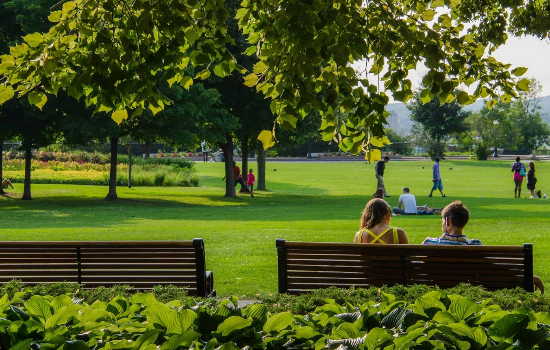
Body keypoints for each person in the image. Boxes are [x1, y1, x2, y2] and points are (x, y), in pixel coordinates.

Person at [421, 200, 544, 293]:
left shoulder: (428, 244)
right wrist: (528, 277)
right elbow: (496, 269)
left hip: (436, 296)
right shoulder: (476, 246)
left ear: (447, 221)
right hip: (467, 297)